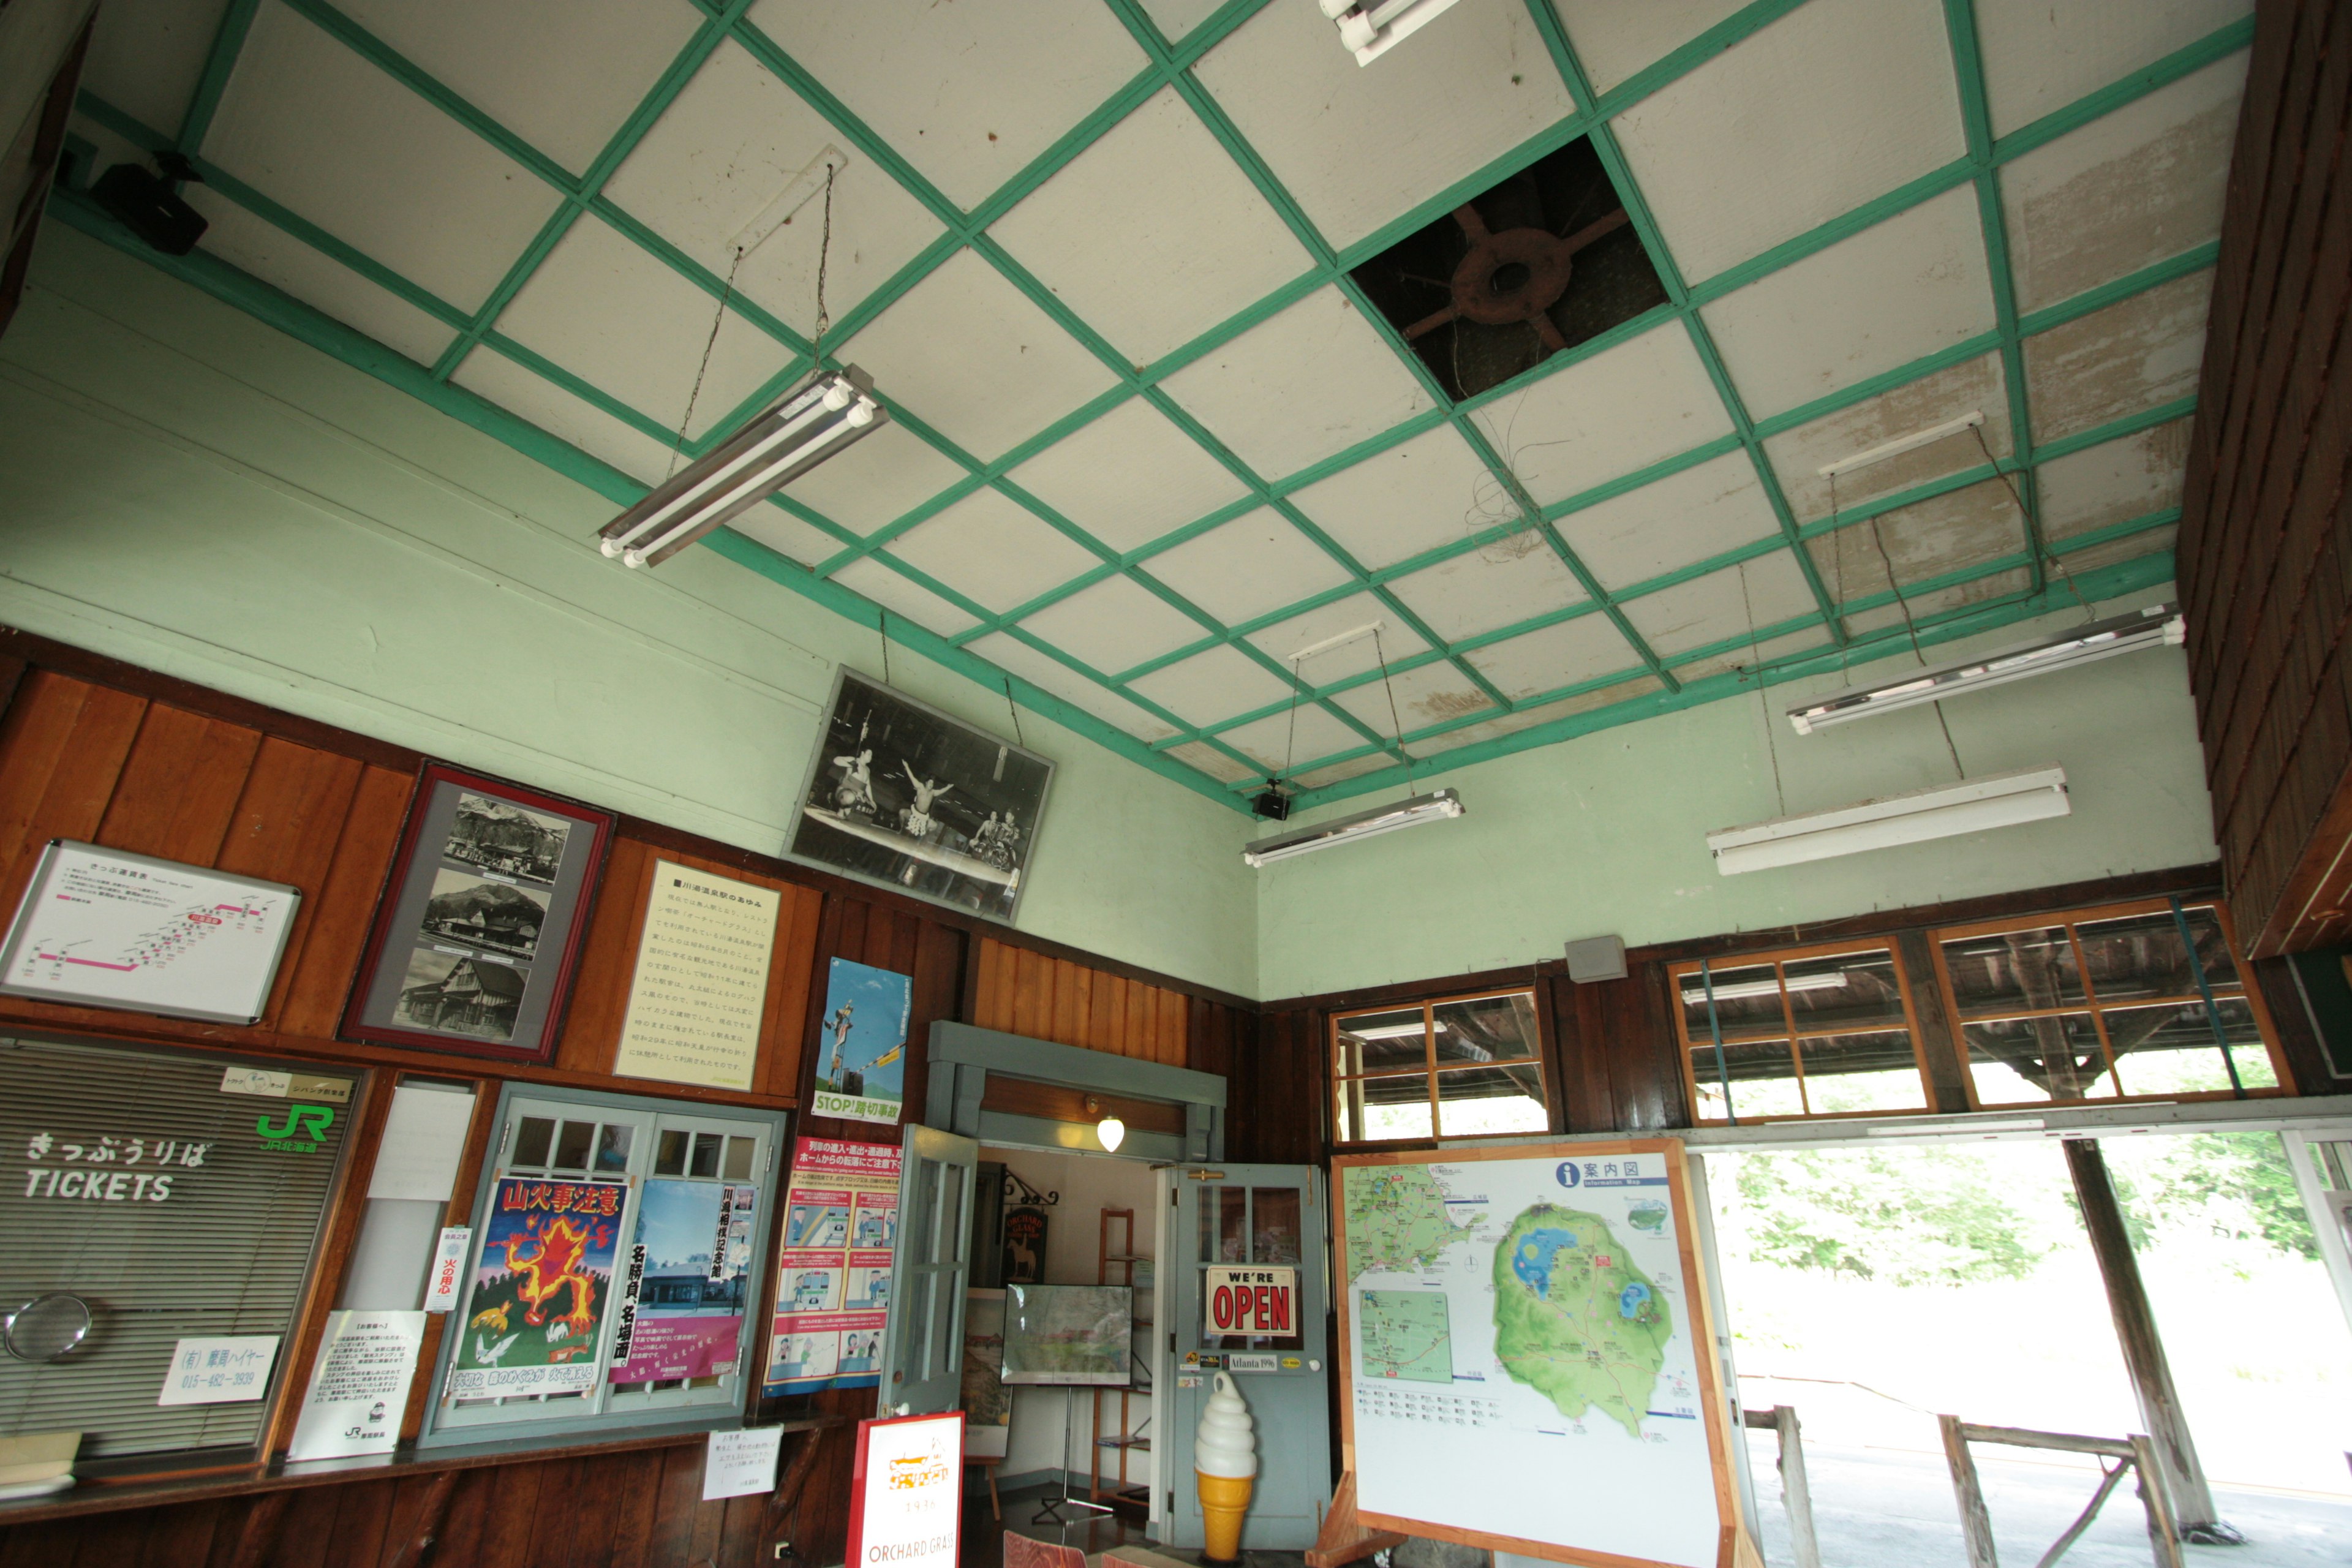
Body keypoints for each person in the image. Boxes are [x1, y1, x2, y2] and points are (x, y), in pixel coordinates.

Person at [899, 763, 954, 837]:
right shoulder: (920, 787)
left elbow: (941, 791)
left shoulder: (933, 792)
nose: (932, 784)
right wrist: (907, 766)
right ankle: (902, 828)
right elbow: (912, 778)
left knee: (935, 825)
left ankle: (923, 836)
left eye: (933, 783)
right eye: (930, 782)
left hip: (924, 817)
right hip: (914, 813)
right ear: (926, 783)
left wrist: (948, 787)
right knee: (901, 812)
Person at [829, 747, 876, 816]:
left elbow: (868, 785)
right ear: (862, 753)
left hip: (858, 796)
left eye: (872, 755)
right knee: (850, 797)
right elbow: (836, 760)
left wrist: (872, 800)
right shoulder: (854, 760)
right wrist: (850, 765)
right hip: (844, 792)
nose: (871, 757)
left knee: (872, 807)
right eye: (869, 754)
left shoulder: (868, 770)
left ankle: (848, 810)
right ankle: (841, 809)